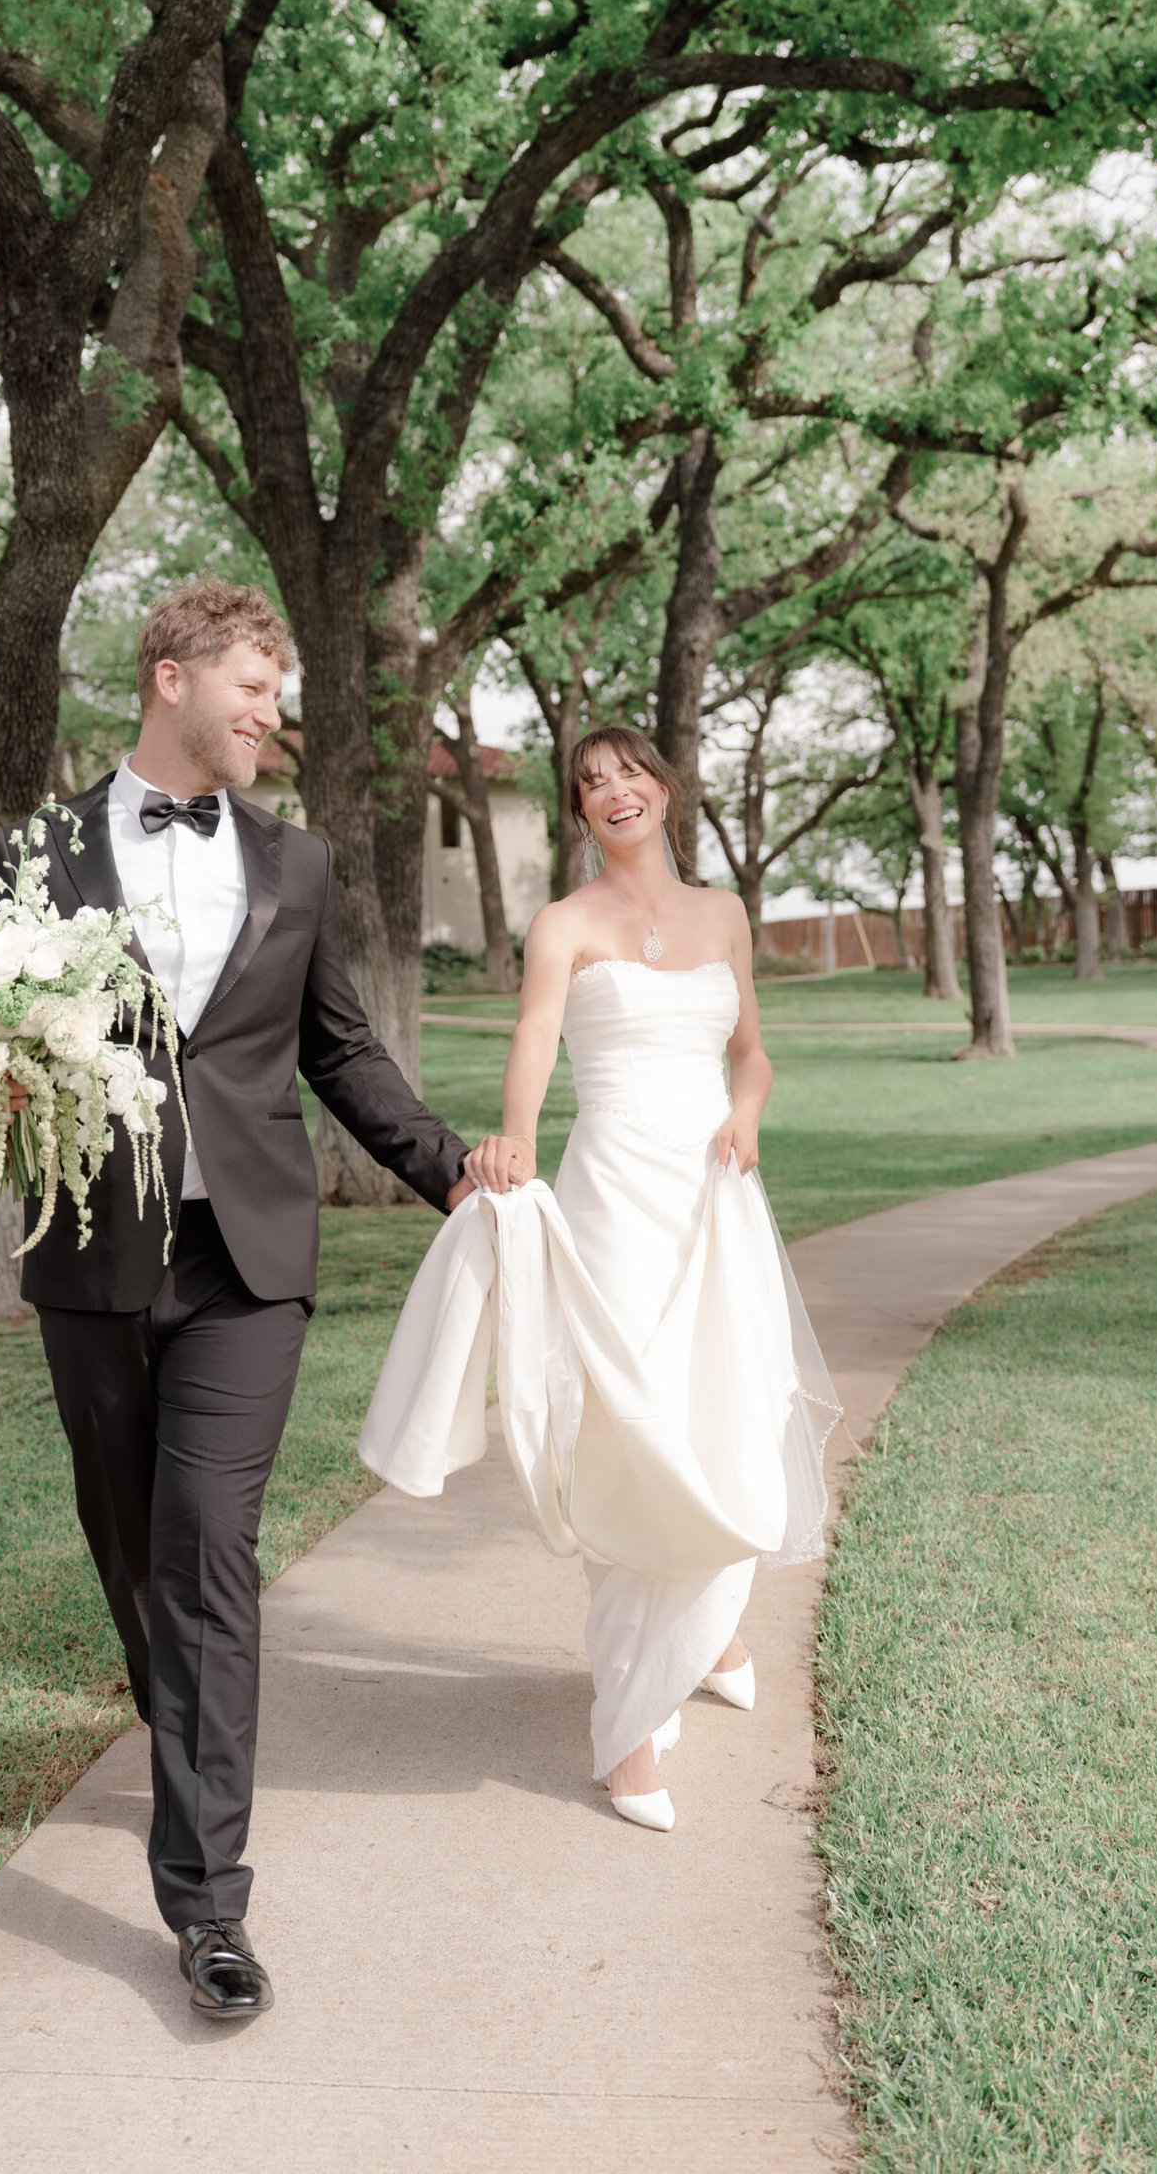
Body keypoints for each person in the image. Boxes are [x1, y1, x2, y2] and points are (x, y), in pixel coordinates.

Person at [0, 581, 475, 2016]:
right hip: (94, 1259)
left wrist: (455, 1173)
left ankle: (209, 1907)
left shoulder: (298, 866)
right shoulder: (40, 851)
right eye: (255, 686)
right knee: (133, 1551)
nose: (271, 714)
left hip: (248, 1261)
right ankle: (179, 1722)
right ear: (172, 676)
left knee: (207, 1554)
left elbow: (343, 1054)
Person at [360, 727, 839, 1831]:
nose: (612, 792)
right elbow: (533, 1033)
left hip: (714, 1197)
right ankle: (626, 1725)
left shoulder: (724, 916)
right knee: (630, 1427)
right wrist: (514, 1137)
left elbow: (750, 1051)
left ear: (663, 789)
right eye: (589, 786)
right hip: (614, 1197)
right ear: (579, 814)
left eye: (628, 775)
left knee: (725, 1410)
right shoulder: (562, 926)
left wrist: (750, 1113)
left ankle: (710, 1631)